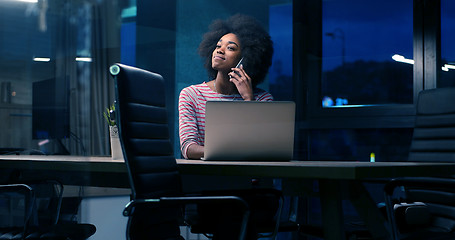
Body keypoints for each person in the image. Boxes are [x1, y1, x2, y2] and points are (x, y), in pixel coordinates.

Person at [178, 13, 274, 160]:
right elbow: (188, 148)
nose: (219, 50)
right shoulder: (192, 95)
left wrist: (248, 99)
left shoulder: (262, 99)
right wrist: (235, 151)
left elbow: (265, 148)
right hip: (207, 177)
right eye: (218, 45)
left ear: (246, 58)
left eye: (230, 48)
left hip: (249, 179)